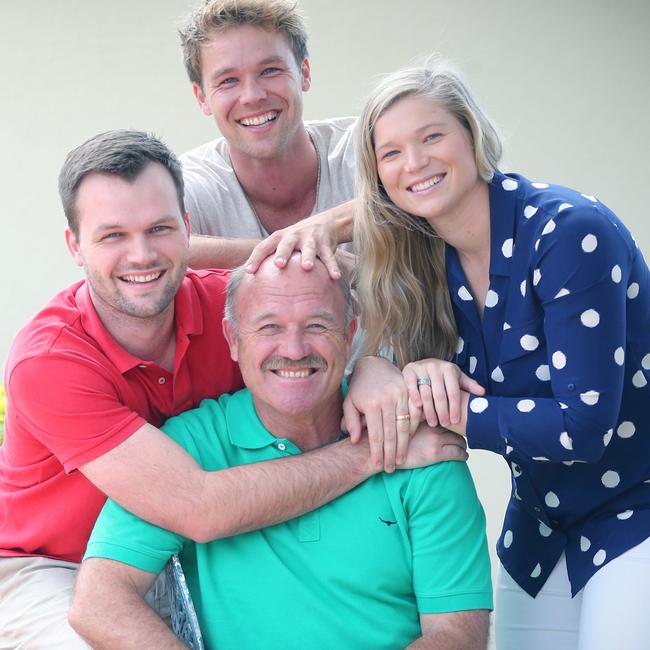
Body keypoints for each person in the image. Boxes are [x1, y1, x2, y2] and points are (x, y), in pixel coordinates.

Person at [0, 129, 466, 648]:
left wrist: (376, 361)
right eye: (112, 236)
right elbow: (198, 507)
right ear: (74, 246)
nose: (141, 255)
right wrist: (374, 454)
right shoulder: (50, 361)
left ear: (188, 230)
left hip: (177, 557)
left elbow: (354, 289)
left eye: (159, 229)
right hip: (51, 565)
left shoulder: (237, 309)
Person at [347, 57, 650, 649]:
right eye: (391, 153)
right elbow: (379, 361)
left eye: (432, 136)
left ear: (471, 134)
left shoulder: (568, 233)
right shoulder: (424, 262)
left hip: (635, 511)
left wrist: (436, 408)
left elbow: (583, 427)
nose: (415, 163)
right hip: (541, 527)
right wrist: (402, 372)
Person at [69, 254, 492, 650]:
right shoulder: (188, 446)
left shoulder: (421, 447)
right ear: (233, 340)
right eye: (269, 327)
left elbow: (457, 634)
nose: (293, 349)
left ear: (349, 334)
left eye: (317, 326)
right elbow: (99, 601)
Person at [178, 0, 355, 274]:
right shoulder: (187, 183)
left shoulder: (365, 148)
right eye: (228, 81)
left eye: (270, 71)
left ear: (304, 73)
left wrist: (329, 226)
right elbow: (152, 247)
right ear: (201, 98)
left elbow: (434, 191)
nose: (252, 96)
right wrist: (291, 248)